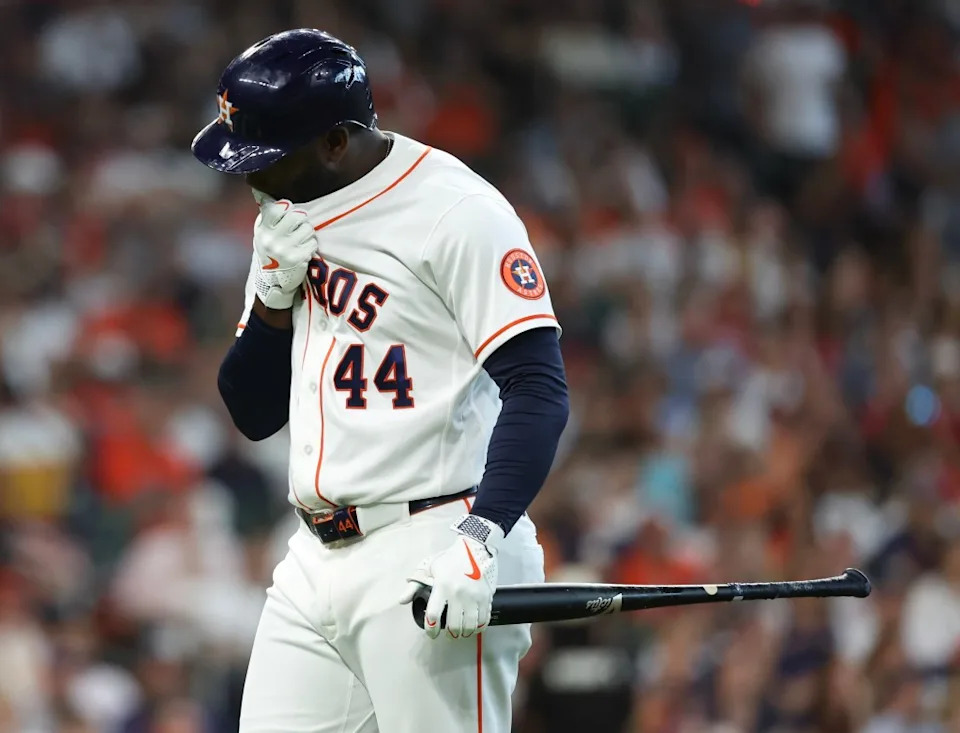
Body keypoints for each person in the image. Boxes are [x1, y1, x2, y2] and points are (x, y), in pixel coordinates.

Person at [191, 29, 569, 733]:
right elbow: (251, 410)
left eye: (268, 157)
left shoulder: (458, 213)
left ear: (336, 141)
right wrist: (273, 300)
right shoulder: (286, 213)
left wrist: (482, 532)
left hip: (437, 540)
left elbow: (539, 389)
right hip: (313, 557)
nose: (251, 177)